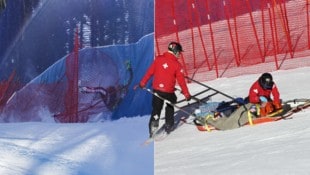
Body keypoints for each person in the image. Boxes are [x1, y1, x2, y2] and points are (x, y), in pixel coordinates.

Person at [137, 42, 191, 137]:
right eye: (179, 52)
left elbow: (149, 72)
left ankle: (153, 127)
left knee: (156, 109)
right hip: (168, 91)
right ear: (174, 51)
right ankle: (169, 124)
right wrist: (186, 94)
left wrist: (142, 83)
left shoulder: (158, 59)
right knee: (171, 103)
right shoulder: (177, 65)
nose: (180, 54)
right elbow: (181, 81)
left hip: (157, 90)